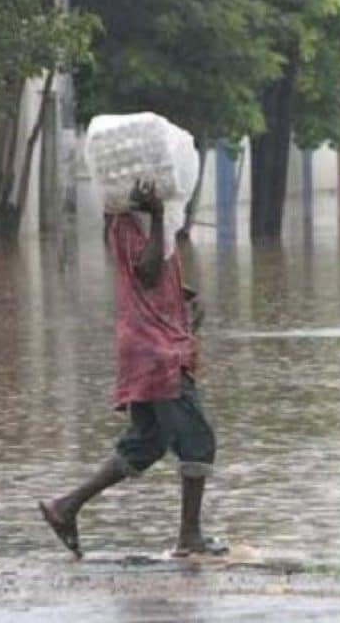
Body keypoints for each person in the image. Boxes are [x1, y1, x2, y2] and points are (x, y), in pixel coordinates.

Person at [39, 180, 224, 558]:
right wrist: (157, 217)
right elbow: (147, 272)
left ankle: (66, 507)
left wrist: (185, 293)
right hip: (158, 354)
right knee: (199, 440)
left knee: (148, 440)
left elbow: (150, 277)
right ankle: (189, 537)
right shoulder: (129, 224)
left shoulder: (138, 226)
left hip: (147, 349)